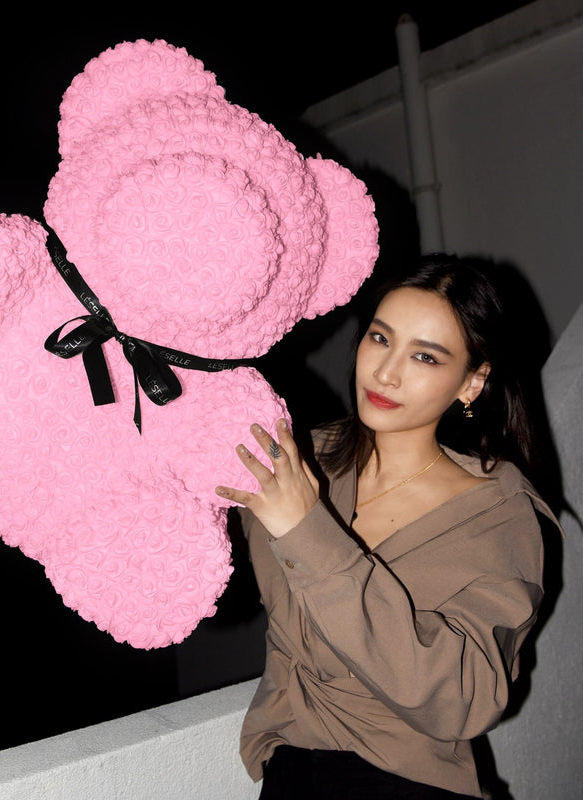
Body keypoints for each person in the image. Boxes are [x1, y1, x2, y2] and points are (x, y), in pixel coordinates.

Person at [215, 254, 561, 799]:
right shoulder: (304, 459)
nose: (386, 372)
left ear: (472, 382)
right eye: (380, 339)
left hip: (408, 783)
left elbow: (463, 698)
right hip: (291, 773)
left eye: (425, 356)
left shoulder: (497, 515)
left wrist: (308, 531)